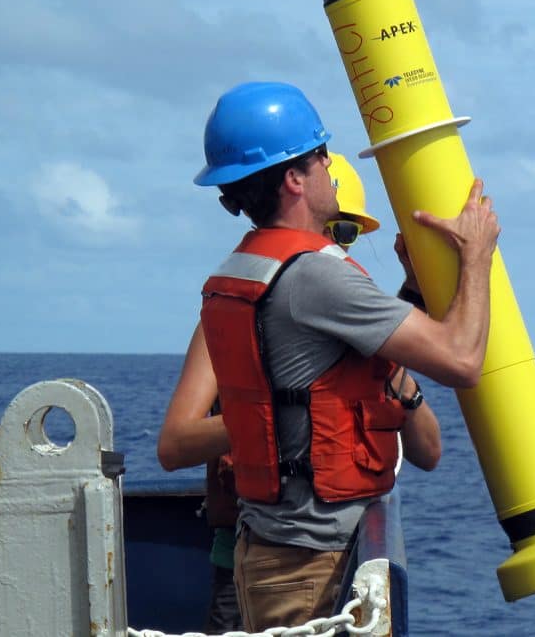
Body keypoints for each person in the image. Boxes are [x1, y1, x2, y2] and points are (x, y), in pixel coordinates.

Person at [188, 81, 499, 630]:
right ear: (293, 179)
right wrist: (476, 255)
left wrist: (410, 293)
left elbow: (327, 372)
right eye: (320, 157)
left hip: (266, 547)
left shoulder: (245, 270)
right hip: (308, 564)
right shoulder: (317, 276)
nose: (331, 168)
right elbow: (462, 361)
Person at [156, 152, 433, 632]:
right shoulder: (238, 316)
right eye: (331, 231)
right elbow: (175, 443)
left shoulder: (349, 338)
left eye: (347, 235)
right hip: (257, 556)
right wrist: (273, 413)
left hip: (331, 557)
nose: (333, 249)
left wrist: (406, 308)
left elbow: (428, 449)